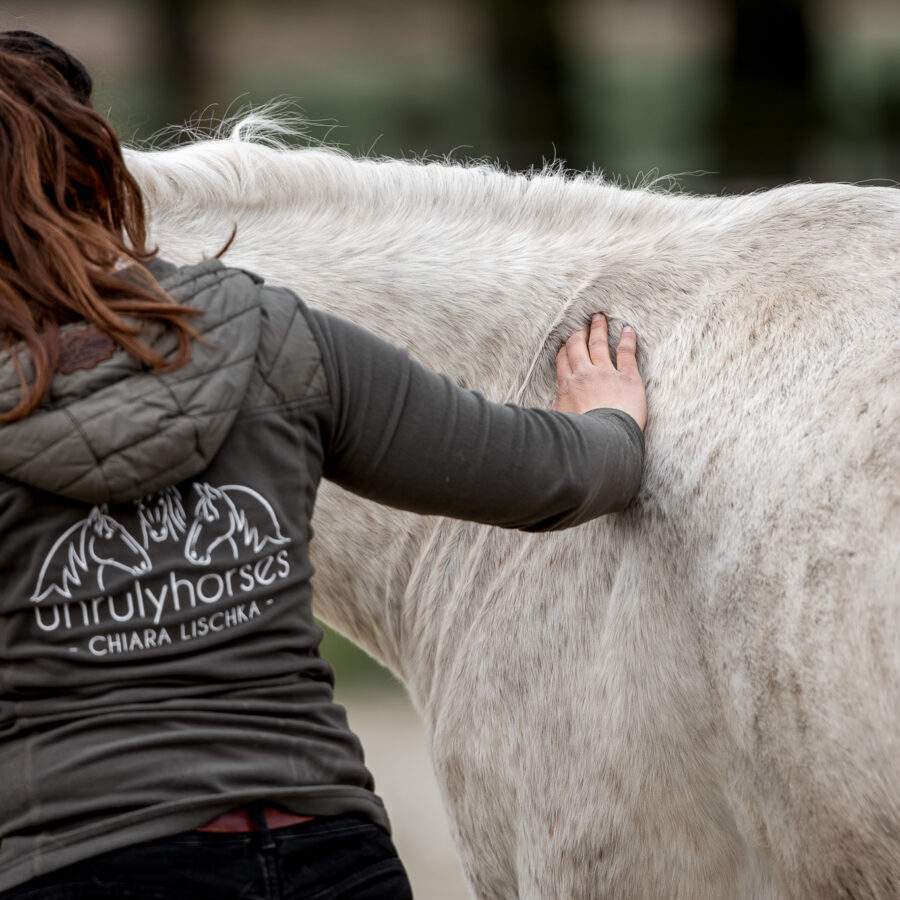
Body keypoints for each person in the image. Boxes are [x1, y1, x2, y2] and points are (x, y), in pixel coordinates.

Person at [0, 31, 646, 900]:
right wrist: (609, 420)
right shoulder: (267, 335)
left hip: (82, 868)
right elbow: (551, 477)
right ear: (100, 170)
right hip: (328, 862)